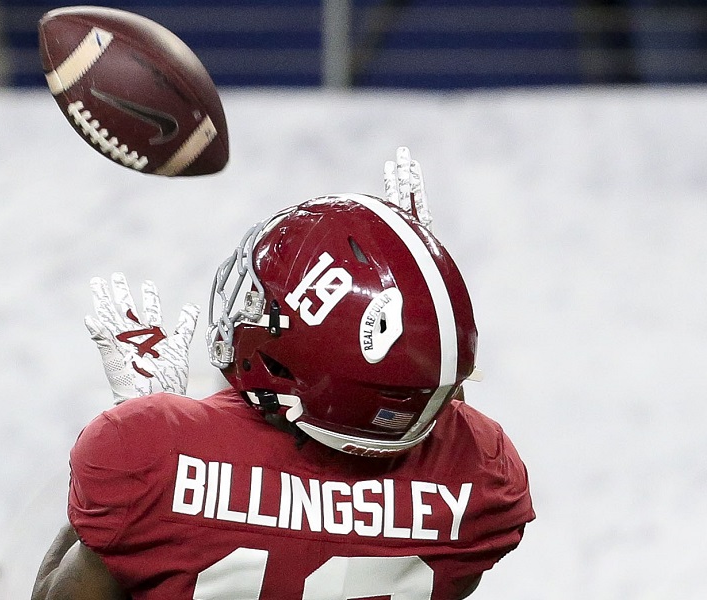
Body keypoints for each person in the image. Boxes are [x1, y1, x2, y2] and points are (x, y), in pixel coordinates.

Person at [31, 148, 534, 600]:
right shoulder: (482, 486)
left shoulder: (150, 455)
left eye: (261, 301)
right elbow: (428, 410)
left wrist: (137, 415)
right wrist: (424, 314)